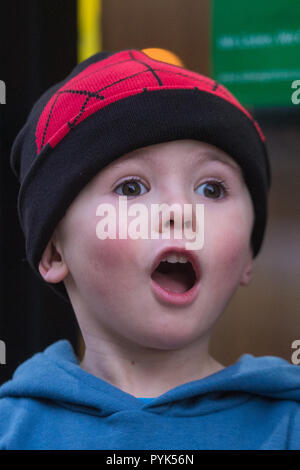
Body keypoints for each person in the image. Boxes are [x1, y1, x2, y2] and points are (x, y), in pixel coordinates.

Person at [0, 48, 299, 450]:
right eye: (131, 188)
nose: (180, 211)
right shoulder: (12, 431)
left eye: (211, 189)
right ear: (55, 252)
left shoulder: (287, 426)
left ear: (247, 253)